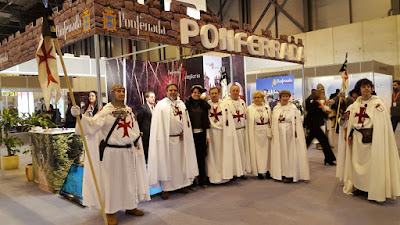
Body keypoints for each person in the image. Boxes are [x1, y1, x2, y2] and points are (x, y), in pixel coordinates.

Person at [71, 84, 150, 225]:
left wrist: (137, 144)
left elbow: (134, 128)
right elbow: (92, 124)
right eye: (118, 91)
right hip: (111, 154)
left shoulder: (128, 110)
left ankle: (130, 206)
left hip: (127, 151)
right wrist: (80, 116)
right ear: (112, 93)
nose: (121, 93)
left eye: (123, 91)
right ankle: (110, 211)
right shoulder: (105, 111)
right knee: (112, 183)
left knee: (129, 181)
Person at [342, 78, 400, 202]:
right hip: (358, 140)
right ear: (359, 90)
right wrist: (344, 118)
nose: (366, 89)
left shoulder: (378, 104)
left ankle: (371, 188)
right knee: (357, 164)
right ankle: (359, 187)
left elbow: (382, 124)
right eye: (363, 87)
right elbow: (347, 120)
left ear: (372, 88)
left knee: (371, 165)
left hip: (372, 140)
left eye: (368, 86)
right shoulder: (355, 105)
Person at [147, 84, 198, 200]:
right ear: (166, 91)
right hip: (166, 140)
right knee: (167, 164)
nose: (173, 92)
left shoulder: (181, 104)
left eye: (175, 90)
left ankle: (182, 185)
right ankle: (166, 188)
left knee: (180, 163)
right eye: (171, 90)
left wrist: (185, 132)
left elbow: (186, 122)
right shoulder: (161, 105)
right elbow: (157, 125)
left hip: (180, 140)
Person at [270, 90, 310, 183]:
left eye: (286, 96)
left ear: (289, 97)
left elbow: (297, 122)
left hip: (289, 134)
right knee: (281, 152)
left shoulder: (293, 108)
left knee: (289, 152)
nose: (285, 98)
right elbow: (274, 121)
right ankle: (281, 173)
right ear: (280, 97)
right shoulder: (276, 108)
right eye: (283, 96)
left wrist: (296, 133)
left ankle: (290, 174)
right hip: (279, 133)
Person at [206, 87, 243, 184]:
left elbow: (229, 120)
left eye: (216, 93)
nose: (214, 95)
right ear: (209, 94)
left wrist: (229, 133)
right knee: (213, 156)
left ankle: (225, 176)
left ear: (219, 94)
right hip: (212, 133)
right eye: (212, 93)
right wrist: (207, 135)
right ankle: (213, 177)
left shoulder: (224, 105)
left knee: (223, 154)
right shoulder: (207, 105)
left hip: (223, 133)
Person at [185, 85, 211, 187]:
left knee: (201, 157)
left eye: (198, 93)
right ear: (191, 93)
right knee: (191, 157)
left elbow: (206, 121)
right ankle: (192, 181)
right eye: (195, 92)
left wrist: (207, 135)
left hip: (201, 134)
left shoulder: (204, 105)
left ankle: (202, 180)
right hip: (190, 135)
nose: (196, 94)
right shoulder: (186, 104)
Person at [223, 84, 251, 178]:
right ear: (229, 91)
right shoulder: (225, 103)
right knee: (234, 152)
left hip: (242, 130)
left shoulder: (242, 102)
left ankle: (242, 170)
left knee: (243, 151)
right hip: (233, 131)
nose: (235, 92)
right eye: (233, 91)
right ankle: (234, 172)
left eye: (237, 91)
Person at [304, 90, 336, 166]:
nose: (322, 95)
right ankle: (329, 159)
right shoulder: (315, 103)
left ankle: (329, 159)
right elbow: (315, 114)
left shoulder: (315, 103)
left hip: (314, 127)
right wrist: (328, 115)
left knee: (308, 143)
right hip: (314, 127)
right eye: (321, 94)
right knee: (324, 142)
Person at [247, 91, 273, 179]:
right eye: (255, 97)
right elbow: (249, 122)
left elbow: (270, 120)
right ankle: (260, 171)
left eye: (259, 97)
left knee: (268, 152)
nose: (257, 99)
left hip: (266, 131)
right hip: (256, 132)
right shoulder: (250, 108)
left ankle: (268, 170)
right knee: (258, 153)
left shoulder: (266, 107)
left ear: (262, 98)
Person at [137, 91, 156, 161]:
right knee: (146, 152)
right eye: (151, 97)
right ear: (146, 98)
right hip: (146, 135)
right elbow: (139, 121)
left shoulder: (156, 107)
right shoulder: (143, 108)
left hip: (155, 134)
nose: (153, 99)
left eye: (154, 97)